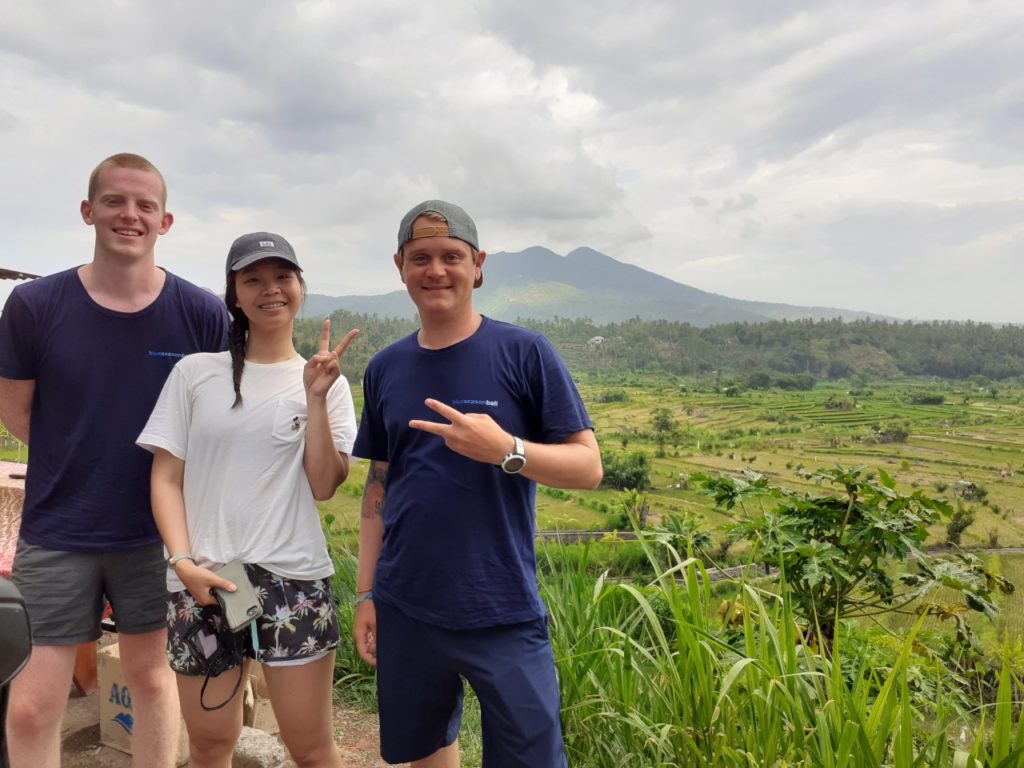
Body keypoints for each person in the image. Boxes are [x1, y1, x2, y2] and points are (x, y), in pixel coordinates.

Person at [352, 201, 603, 767]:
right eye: (421, 258)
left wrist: (507, 451)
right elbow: (378, 489)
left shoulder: (524, 352)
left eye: (451, 256)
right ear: (400, 266)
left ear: (478, 264)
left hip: (502, 607)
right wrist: (367, 594)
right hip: (406, 602)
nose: (435, 270)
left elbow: (588, 467)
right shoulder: (387, 367)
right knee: (427, 751)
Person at [0, 153, 230, 768]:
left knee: (152, 679)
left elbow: (220, 417)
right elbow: (15, 411)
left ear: (165, 220)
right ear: (88, 210)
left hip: (157, 535)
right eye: (115, 201)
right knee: (29, 704)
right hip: (57, 526)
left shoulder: (201, 313)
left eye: (144, 205)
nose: (130, 215)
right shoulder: (34, 306)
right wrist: (81, 451)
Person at [137, 232, 358, 768]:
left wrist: (315, 398)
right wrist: (182, 562)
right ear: (234, 294)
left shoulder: (329, 384)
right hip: (203, 581)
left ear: (300, 287)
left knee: (310, 748)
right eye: (252, 279)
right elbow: (166, 478)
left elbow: (325, 484)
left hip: (294, 580)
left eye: (283, 277)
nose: (270, 290)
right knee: (211, 744)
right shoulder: (195, 374)